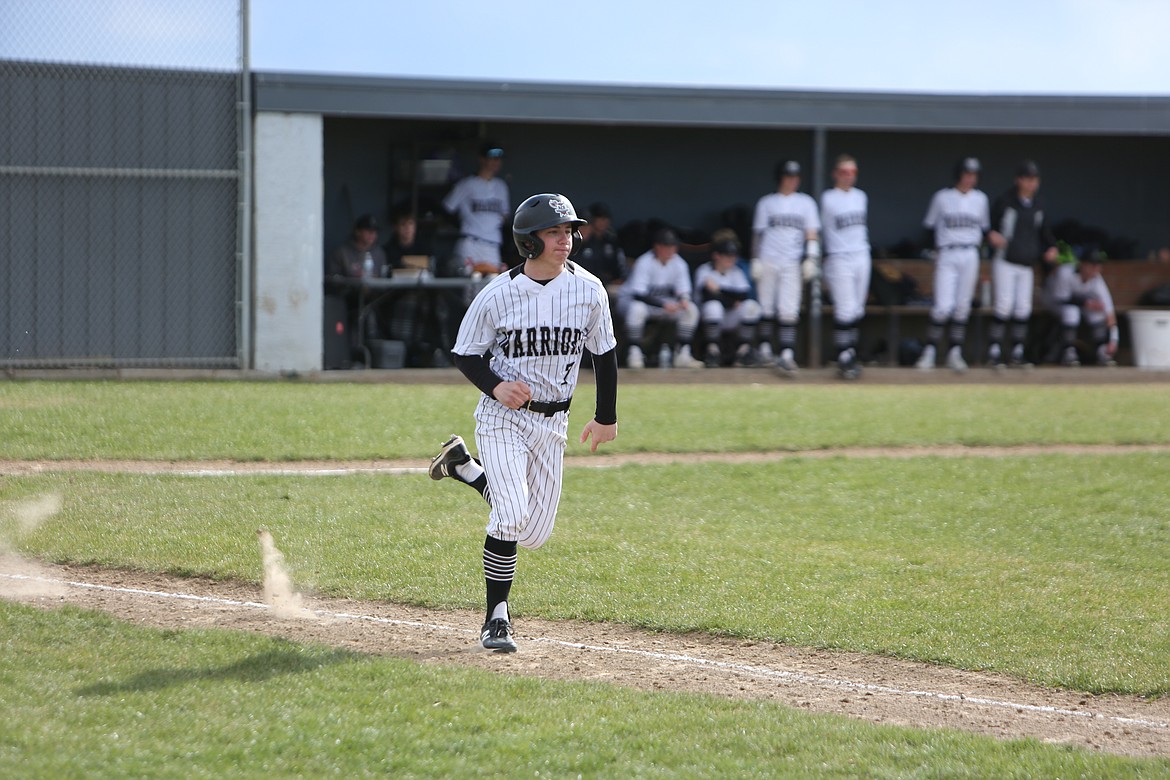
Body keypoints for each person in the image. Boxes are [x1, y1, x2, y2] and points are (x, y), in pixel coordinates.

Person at [427, 193, 619, 653]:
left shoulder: (589, 289)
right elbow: (465, 353)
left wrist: (605, 416)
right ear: (528, 242)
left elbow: (605, 354)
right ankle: (496, 618)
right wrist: (495, 386)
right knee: (510, 515)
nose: (565, 240)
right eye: (554, 232)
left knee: (533, 533)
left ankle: (465, 469)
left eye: (568, 231)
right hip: (503, 418)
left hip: (554, 424)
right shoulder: (498, 292)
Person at [917, 157, 990, 372]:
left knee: (962, 307)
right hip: (948, 253)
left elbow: (984, 229)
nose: (970, 179)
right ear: (958, 174)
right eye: (966, 174)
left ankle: (954, 353)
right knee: (942, 307)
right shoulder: (942, 197)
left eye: (973, 175)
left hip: (970, 253)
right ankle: (929, 352)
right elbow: (929, 227)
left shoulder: (981, 199)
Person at [751, 159, 822, 377]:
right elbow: (758, 234)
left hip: (792, 261)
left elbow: (811, 232)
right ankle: (764, 349)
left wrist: (811, 257)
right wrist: (755, 259)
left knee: (788, 309)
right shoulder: (766, 202)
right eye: (788, 176)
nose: (792, 181)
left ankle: (786, 354)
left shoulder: (806, 203)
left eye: (795, 177)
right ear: (780, 178)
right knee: (766, 306)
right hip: (768, 258)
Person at [985, 160, 1059, 368]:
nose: (1031, 184)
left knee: (1022, 308)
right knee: (1004, 305)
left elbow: (1045, 233)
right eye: (1027, 179)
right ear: (1018, 180)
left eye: (1034, 180)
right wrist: (992, 236)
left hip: (1027, 263)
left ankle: (1017, 352)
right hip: (1006, 260)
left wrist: (1051, 248)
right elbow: (990, 227)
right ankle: (995, 351)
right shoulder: (1006, 201)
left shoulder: (1039, 205)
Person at [819, 154, 871, 380]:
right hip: (838, 256)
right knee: (845, 309)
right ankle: (843, 357)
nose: (849, 177)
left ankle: (850, 354)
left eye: (853, 172)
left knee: (857, 309)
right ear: (835, 174)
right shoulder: (828, 198)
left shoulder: (861, 197)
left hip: (861, 254)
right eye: (844, 172)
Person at [618, 227, 702, 369]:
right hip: (633, 303)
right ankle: (634, 352)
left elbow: (684, 291)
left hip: (663, 305)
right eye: (666, 246)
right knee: (637, 309)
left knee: (691, 310)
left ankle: (683, 353)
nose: (670, 250)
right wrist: (664, 306)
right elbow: (639, 295)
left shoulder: (679, 264)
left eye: (673, 246)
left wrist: (684, 301)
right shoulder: (645, 262)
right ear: (657, 246)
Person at [443, 142, 510, 276]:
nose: (496, 162)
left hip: (492, 245)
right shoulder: (466, 184)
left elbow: (505, 216)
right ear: (482, 159)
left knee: (492, 287)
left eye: (498, 158)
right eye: (492, 157)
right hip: (471, 242)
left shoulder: (501, 186)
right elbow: (447, 209)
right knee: (470, 287)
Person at [1042, 250, 1118, 366]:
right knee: (1072, 312)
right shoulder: (1066, 272)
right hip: (1053, 302)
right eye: (1092, 265)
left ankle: (1102, 351)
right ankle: (1069, 351)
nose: (1095, 269)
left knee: (1097, 313)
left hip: (1079, 305)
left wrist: (1114, 340)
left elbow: (1109, 312)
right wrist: (1085, 303)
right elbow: (1061, 297)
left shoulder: (1097, 279)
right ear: (1082, 264)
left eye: (1098, 265)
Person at [694, 238, 762, 367]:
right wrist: (731, 299)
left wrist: (719, 290)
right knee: (713, 306)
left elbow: (743, 295)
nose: (731, 259)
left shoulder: (736, 271)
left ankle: (743, 351)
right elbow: (707, 296)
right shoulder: (704, 270)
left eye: (733, 256)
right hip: (708, 317)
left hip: (730, 316)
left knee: (752, 307)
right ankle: (712, 350)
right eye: (727, 256)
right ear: (716, 256)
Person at [325, 213, 389, 347]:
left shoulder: (379, 253)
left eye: (374, 232)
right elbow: (333, 280)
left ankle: (375, 348)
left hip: (375, 298)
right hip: (349, 298)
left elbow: (384, 277)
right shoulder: (342, 252)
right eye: (368, 231)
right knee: (361, 311)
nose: (372, 235)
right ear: (358, 232)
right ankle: (356, 351)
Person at [575, 201, 628, 291]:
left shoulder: (599, 243)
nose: (585, 230)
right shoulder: (566, 244)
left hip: (597, 286)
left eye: (588, 226)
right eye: (582, 226)